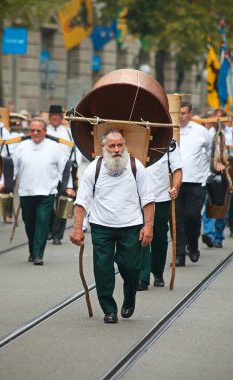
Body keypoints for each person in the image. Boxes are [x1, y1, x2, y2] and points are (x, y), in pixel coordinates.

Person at [70, 129, 155, 324]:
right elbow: (81, 201)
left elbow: (148, 200)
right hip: (101, 226)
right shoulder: (94, 168)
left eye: (120, 145)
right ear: (103, 147)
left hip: (131, 226)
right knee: (102, 269)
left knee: (131, 267)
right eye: (112, 146)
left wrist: (148, 226)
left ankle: (130, 297)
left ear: (125, 145)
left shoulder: (136, 166)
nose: (116, 150)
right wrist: (77, 229)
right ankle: (109, 309)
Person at [0, 118, 74, 265]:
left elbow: (64, 169)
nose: (36, 133)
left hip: (47, 192)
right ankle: (32, 251)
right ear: (29, 131)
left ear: (45, 131)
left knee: (43, 222)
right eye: (33, 130)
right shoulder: (22, 147)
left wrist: (68, 187)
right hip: (26, 192)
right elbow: (12, 169)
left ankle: (39, 254)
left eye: (39, 130)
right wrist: (2, 183)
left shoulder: (55, 147)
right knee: (29, 223)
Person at [138, 141, 182, 290]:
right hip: (137, 198)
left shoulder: (169, 143)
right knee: (141, 235)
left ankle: (157, 272)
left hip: (161, 199)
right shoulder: (133, 136)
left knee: (160, 238)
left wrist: (175, 187)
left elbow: (177, 170)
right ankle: (142, 277)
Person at [175, 102, 212, 266]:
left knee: (192, 216)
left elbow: (211, 149)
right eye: (178, 113)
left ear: (190, 114)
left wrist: (209, 168)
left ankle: (193, 245)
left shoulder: (200, 131)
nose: (180, 116)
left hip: (194, 182)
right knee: (176, 219)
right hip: (175, 183)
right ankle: (179, 253)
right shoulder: (171, 130)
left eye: (183, 113)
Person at [202, 108, 232, 248]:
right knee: (209, 205)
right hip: (210, 175)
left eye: (221, 119)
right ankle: (208, 234)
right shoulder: (208, 134)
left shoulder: (230, 134)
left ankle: (218, 237)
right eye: (216, 119)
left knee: (222, 207)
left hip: (227, 176)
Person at [47, 105, 75, 245]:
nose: (55, 117)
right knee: (47, 203)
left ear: (61, 117)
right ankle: (50, 229)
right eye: (53, 115)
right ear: (49, 117)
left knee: (63, 203)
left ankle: (58, 234)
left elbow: (76, 152)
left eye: (57, 115)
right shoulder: (43, 132)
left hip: (65, 173)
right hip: (48, 173)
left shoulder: (69, 133)